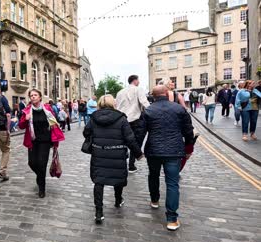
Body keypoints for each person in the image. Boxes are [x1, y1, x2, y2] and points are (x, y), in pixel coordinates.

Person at [83, 95, 143, 224]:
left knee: (98, 181)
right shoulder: (121, 119)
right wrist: (138, 154)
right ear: (113, 103)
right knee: (118, 178)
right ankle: (118, 200)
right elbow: (130, 139)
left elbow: (86, 132)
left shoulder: (93, 118)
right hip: (117, 153)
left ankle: (99, 212)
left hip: (99, 153)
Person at [143, 85, 194, 231]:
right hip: (174, 151)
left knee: (153, 175)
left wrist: (136, 151)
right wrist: (189, 147)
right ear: (166, 93)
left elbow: (140, 132)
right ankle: (172, 219)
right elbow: (188, 131)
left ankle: (154, 200)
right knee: (172, 183)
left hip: (153, 150)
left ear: (153, 96)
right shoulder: (179, 109)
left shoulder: (148, 110)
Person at [19, 89, 64, 198]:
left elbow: (55, 121)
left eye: (35, 95)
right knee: (32, 163)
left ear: (40, 97)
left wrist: (55, 133)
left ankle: (42, 188)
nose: (33, 97)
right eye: (31, 95)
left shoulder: (47, 109)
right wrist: (25, 119)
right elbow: (21, 126)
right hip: (33, 141)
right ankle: (40, 176)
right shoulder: (27, 111)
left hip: (45, 141)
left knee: (42, 163)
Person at [116, 75, 150, 173]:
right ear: (135, 80)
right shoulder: (138, 89)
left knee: (123, 142)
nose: (139, 82)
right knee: (135, 142)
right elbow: (144, 102)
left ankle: (121, 163)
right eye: (138, 80)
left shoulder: (120, 92)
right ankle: (131, 165)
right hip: (135, 120)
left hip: (122, 120)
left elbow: (117, 106)